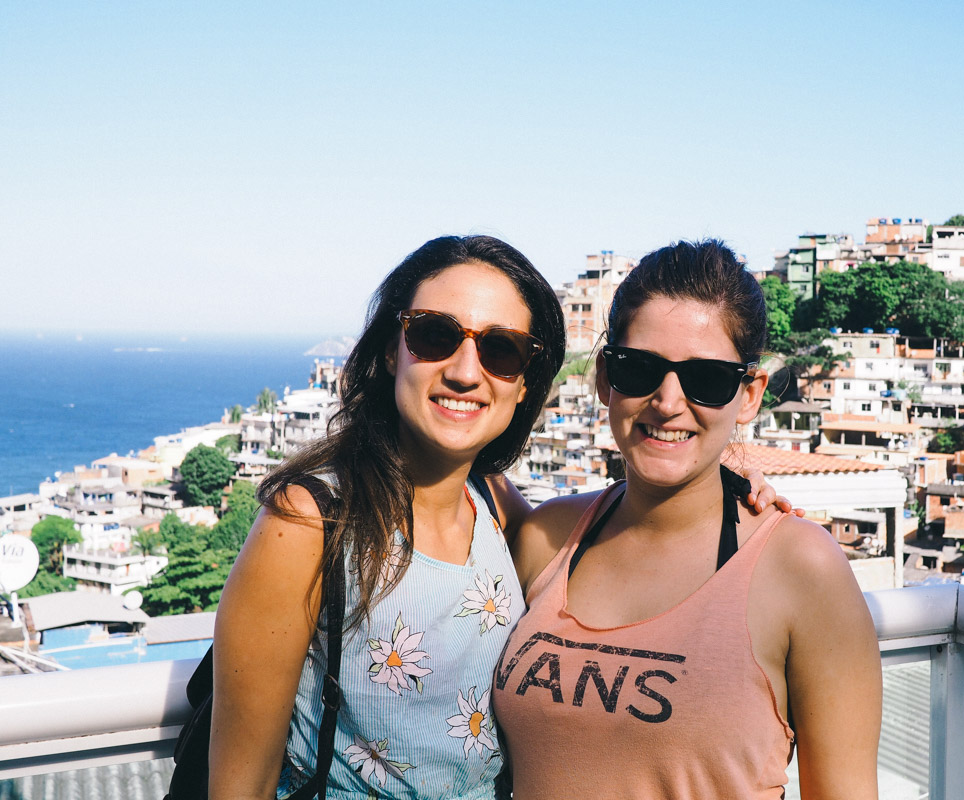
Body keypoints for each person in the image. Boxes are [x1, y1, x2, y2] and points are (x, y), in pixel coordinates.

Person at [210, 235, 792, 800]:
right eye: (435, 335)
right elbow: (243, 786)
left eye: (500, 349)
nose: (465, 371)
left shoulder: (493, 506)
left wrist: (732, 488)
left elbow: (630, 526)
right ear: (393, 349)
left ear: (522, 383)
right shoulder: (311, 522)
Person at [495, 240, 883, 799]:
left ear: (748, 396)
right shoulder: (544, 538)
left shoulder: (801, 570)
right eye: (640, 369)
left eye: (706, 379)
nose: (669, 401)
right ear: (605, 378)